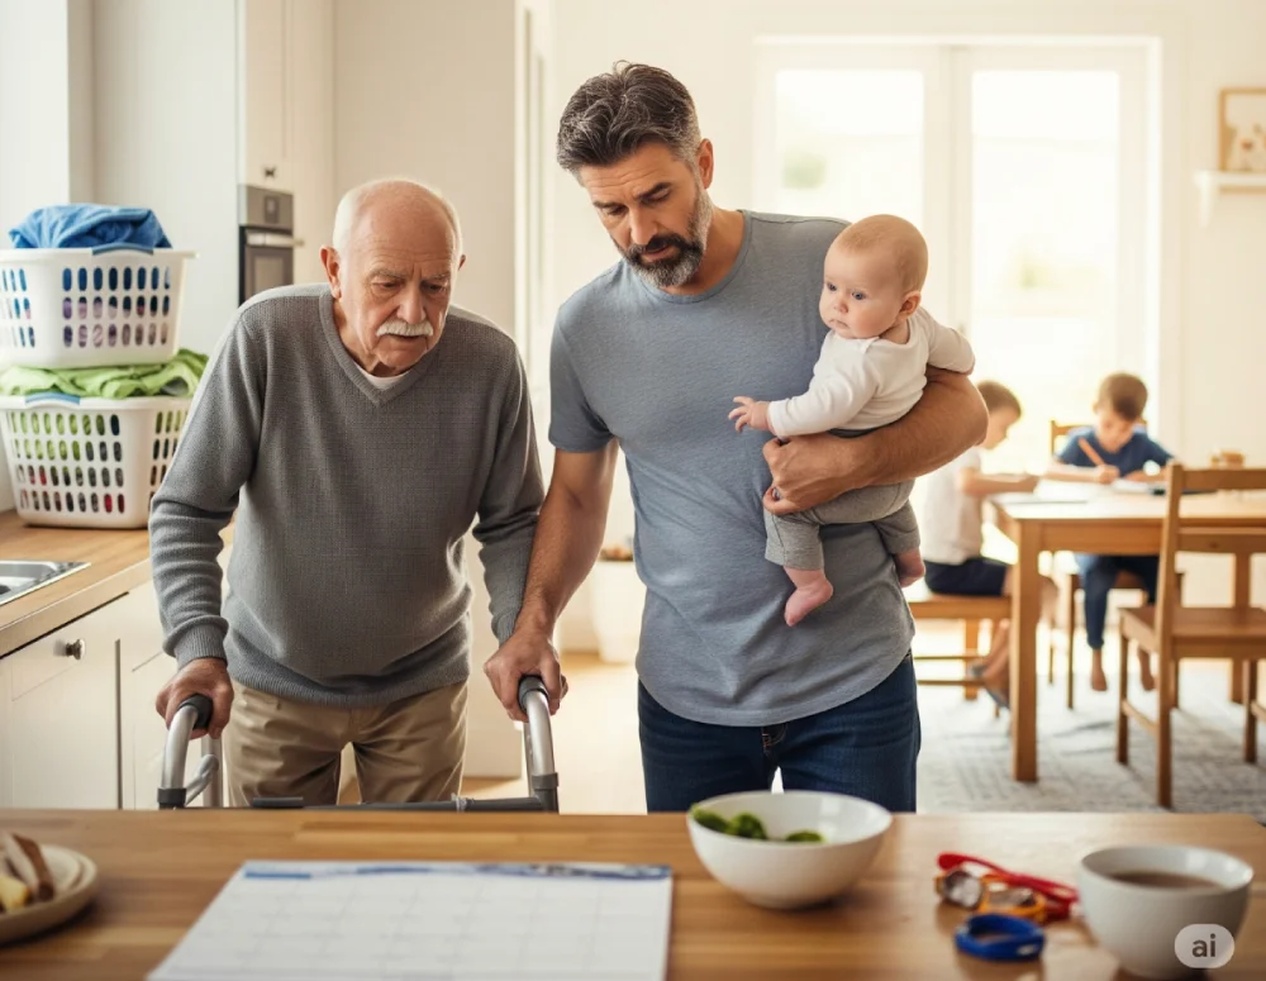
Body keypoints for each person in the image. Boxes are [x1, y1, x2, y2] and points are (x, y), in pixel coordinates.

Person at [482, 62, 987, 814]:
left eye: (657, 195)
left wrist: (854, 462)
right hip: (687, 696)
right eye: (610, 209)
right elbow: (578, 496)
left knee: (862, 893)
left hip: (852, 680)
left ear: (705, 163)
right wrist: (534, 624)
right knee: (701, 895)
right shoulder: (585, 327)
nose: (639, 232)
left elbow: (966, 410)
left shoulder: (830, 264)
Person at [149, 178, 545, 807]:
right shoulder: (264, 337)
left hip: (422, 681)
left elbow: (514, 523)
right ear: (334, 271)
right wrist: (198, 649)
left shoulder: (491, 365)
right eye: (387, 284)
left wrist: (520, 630)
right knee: (276, 866)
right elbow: (185, 512)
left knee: (415, 865)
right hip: (274, 677)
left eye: (436, 285)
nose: (414, 311)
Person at [729, 215, 975, 626]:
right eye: (831, 287)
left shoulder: (860, 359)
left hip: (858, 480)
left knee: (787, 512)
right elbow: (962, 357)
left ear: (906, 303)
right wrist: (961, 360)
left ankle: (811, 584)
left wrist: (768, 413)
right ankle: (910, 558)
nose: (837, 305)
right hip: (896, 482)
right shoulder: (921, 325)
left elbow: (822, 408)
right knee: (892, 506)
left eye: (858, 295)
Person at [919, 380, 1057, 707]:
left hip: (946, 564)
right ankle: (995, 669)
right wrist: (1019, 485)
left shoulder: (954, 447)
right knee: (1042, 587)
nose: (1005, 436)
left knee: (1031, 583)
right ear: (980, 416)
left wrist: (1010, 480)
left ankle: (990, 665)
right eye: (1003, 427)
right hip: (952, 570)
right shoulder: (967, 449)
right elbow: (967, 483)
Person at [1045, 371, 1174, 692]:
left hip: (1135, 543)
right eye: (1108, 425)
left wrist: (1149, 478)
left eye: (1126, 428)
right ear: (1096, 411)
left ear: (1137, 422)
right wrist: (1090, 476)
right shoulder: (1080, 441)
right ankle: (1096, 656)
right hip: (1092, 542)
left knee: (1160, 571)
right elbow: (1049, 470)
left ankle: (1147, 651)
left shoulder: (1141, 443)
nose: (1117, 436)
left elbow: (1177, 469)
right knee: (1097, 576)